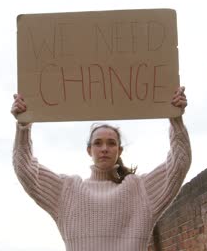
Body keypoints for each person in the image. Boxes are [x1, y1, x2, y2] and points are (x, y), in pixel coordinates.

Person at [11, 87, 191, 251]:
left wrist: (175, 119)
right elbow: (25, 169)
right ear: (89, 150)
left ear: (119, 150)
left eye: (111, 143)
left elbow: (179, 163)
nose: (104, 148)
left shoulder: (139, 189)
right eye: (98, 143)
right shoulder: (69, 191)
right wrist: (24, 126)